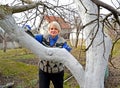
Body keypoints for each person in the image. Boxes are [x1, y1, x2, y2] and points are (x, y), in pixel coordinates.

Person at [25, 21, 71, 88]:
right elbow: (32, 37)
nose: (53, 30)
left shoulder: (62, 41)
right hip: (44, 71)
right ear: (49, 30)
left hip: (57, 72)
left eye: (55, 29)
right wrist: (27, 30)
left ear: (58, 31)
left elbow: (66, 52)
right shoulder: (43, 38)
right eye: (51, 29)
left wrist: (66, 50)